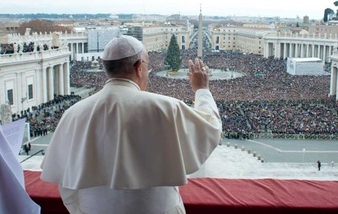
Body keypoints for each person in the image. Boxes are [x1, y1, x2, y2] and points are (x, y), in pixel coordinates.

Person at [40, 35, 222, 214]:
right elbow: (211, 128)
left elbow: (66, 184)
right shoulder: (166, 107)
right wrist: (202, 90)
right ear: (139, 68)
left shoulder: (73, 114)